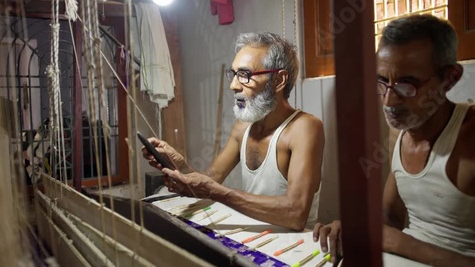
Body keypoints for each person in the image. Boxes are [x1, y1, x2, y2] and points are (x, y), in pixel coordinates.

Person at [313, 15, 475, 266]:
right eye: (381, 81)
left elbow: (394, 238)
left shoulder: (469, 138)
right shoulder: (400, 132)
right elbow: (390, 221)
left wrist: (401, 243)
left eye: (406, 85)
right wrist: (353, 232)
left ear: (450, 78)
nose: (388, 101)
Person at [142, 32, 324, 231]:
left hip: (294, 244)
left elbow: (295, 213)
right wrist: (180, 165)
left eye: (245, 75)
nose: (233, 85)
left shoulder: (305, 127)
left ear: (278, 80)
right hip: (253, 235)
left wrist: (219, 193)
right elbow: (212, 178)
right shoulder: (243, 126)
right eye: (234, 74)